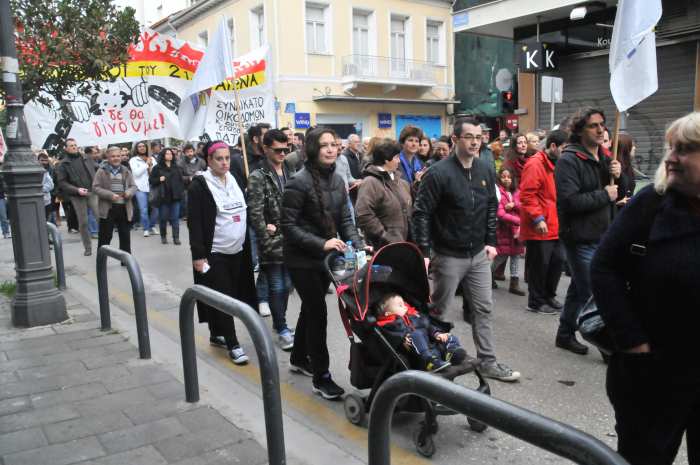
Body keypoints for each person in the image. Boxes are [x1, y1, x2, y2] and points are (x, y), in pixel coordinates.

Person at [590, 112, 700, 465]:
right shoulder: (650, 204)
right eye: (672, 148)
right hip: (653, 374)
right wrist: (634, 343)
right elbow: (603, 267)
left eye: (685, 150)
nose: (671, 158)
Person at [413, 117, 520, 382]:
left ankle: (487, 361)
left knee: (483, 308)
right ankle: (430, 360)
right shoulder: (438, 173)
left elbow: (490, 209)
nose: (475, 141)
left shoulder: (485, 169)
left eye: (479, 137)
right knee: (438, 311)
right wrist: (425, 252)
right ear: (455, 140)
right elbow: (421, 214)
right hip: (447, 255)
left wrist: (491, 242)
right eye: (469, 137)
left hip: (478, 256)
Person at [281, 126, 364, 400]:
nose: (331, 149)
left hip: (326, 259)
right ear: (314, 149)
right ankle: (322, 376)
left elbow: (346, 222)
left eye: (334, 144)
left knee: (311, 308)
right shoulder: (298, 181)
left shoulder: (338, 181)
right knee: (318, 312)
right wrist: (322, 243)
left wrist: (359, 244)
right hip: (301, 258)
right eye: (325, 145)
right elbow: (288, 227)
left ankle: (298, 357)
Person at [554, 107, 621, 355]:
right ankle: (606, 344)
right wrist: (604, 194)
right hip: (580, 238)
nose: (601, 129)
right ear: (581, 130)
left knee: (578, 291)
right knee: (595, 293)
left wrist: (619, 175)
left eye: (602, 124)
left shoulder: (604, 157)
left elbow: (620, 193)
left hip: (603, 236)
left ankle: (564, 334)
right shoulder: (569, 160)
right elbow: (570, 202)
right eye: (594, 125)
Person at [188, 140, 258, 365]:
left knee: (232, 293)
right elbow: (196, 223)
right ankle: (233, 343)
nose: (225, 162)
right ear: (209, 160)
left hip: (237, 251)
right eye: (219, 158)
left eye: (227, 158)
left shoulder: (234, 179)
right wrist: (198, 255)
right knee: (224, 296)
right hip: (214, 253)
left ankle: (216, 332)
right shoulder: (200, 185)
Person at [247, 129, 296, 351]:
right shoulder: (258, 176)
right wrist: (265, 237)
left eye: (286, 149)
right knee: (277, 285)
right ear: (266, 149)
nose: (283, 153)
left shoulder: (290, 169)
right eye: (278, 150)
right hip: (272, 240)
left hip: (292, 237)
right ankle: (282, 327)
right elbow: (255, 212)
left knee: (287, 286)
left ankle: (280, 323)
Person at [519, 129, 567, 314]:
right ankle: (536, 301)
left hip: (555, 223)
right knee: (540, 265)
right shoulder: (535, 164)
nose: (566, 152)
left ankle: (548, 296)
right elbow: (527, 195)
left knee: (557, 262)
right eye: (563, 148)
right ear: (553, 146)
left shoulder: (558, 163)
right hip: (540, 225)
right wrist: (538, 218)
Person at [376, 293, 467, 372]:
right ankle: (429, 362)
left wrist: (437, 333)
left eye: (404, 303)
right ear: (388, 313)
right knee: (415, 335)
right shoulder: (389, 324)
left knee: (449, 336)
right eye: (400, 305)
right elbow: (392, 336)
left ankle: (451, 353)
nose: (404, 306)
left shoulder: (414, 315)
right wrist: (403, 338)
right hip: (418, 356)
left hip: (432, 346)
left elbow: (427, 325)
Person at [355, 139, 412, 249]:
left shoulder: (401, 182)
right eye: (396, 157)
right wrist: (385, 237)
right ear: (386, 159)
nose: (399, 161)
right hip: (382, 248)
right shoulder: (370, 182)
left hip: (403, 246)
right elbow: (364, 215)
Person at [56, 138, 98, 256]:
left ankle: (105, 243)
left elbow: (98, 169)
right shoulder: (63, 164)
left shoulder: (86, 158)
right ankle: (88, 247)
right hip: (77, 195)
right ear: (66, 148)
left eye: (75, 145)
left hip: (91, 192)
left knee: (100, 216)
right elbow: (62, 183)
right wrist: (77, 190)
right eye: (71, 145)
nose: (74, 147)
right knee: (83, 222)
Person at [93, 146, 137, 253]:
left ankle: (126, 261)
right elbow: (95, 187)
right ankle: (101, 262)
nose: (116, 158)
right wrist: (109, 195)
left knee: (125, 237)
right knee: (105, 237)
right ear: (108, 157)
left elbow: (133, 186)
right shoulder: (101, 171)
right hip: (108, 209)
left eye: (118, 156)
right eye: (113, 156)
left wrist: (128, 192)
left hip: (124, 208)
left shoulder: (126, 170)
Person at [493, 168, 525, 296]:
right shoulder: (498, 193)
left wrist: (514, 205)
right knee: (501, 256)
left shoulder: (518, 192)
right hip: (504, 230)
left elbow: (524, 206)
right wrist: (518, 221)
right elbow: (500, 213)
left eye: (509, 177)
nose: (506, 179)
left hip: (516, 232)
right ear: (499, 179)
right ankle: (489, 274)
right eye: (503, 176)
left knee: (516, 257)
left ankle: (514, 283)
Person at [149, 148, 185, 245]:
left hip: (175, 197)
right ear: (163, 155)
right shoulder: (157, 167)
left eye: (170, 154)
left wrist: (181, 192)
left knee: (175, 218)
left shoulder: (176, 167)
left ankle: (176, 238)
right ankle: (163, 236)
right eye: (167, 154)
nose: (169, 155)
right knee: (163, 218)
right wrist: (159, 179)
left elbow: (181, 181)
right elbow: (151, 180)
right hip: (163, 197)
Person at [129, 141, 158, 236]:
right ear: (136, 149)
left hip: (152, 186)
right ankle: (146, 228)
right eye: (139, 146)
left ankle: (152, 226)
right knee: (143, 209)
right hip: (140, 188)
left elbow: (157, 171)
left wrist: (151, 167)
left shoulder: (152, 158)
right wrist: (146, 165)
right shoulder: (133, 160)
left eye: (143, 146)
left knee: (156, 208)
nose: (142, 148)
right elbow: (136, 173)